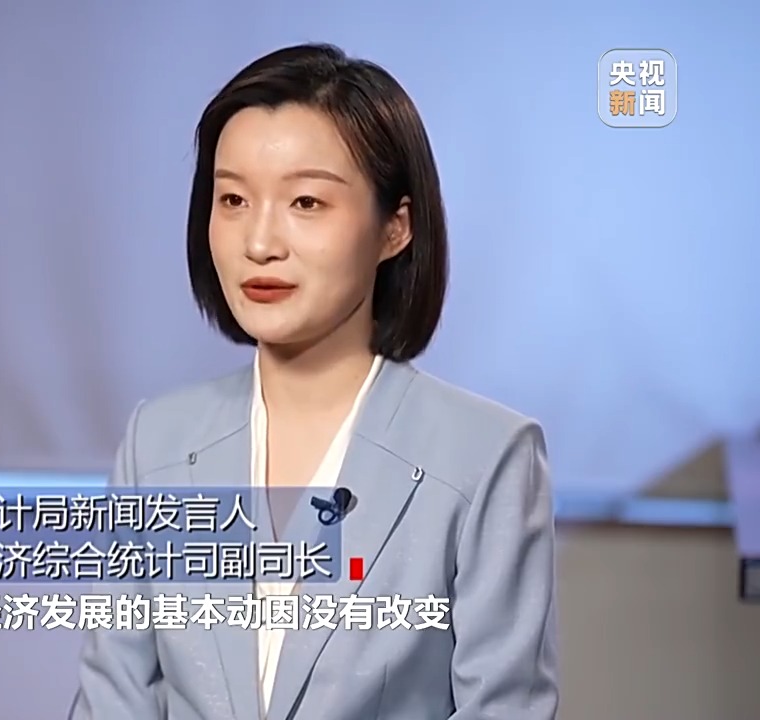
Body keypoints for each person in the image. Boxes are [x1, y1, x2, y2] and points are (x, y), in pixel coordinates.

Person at [69, 43, 558, 720]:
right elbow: (112, 700)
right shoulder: (157, 442)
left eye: (305, 201)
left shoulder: (488, 457)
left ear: (395, 228)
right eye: (233, 199)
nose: (260, 242)